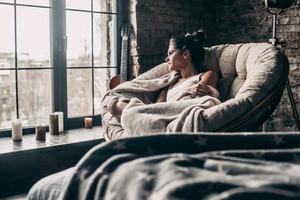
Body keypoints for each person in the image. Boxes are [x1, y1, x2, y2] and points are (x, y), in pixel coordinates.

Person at [108, 30, 218, 120]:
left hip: (181, 115)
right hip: (163, 116)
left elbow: (202, 93)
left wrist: (195, 88)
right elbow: (157, 109)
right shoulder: (169, 83)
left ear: (185, 54)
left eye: (170, 53)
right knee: (115, 104)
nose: (166, 59)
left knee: (127, 111)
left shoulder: (206, 75)